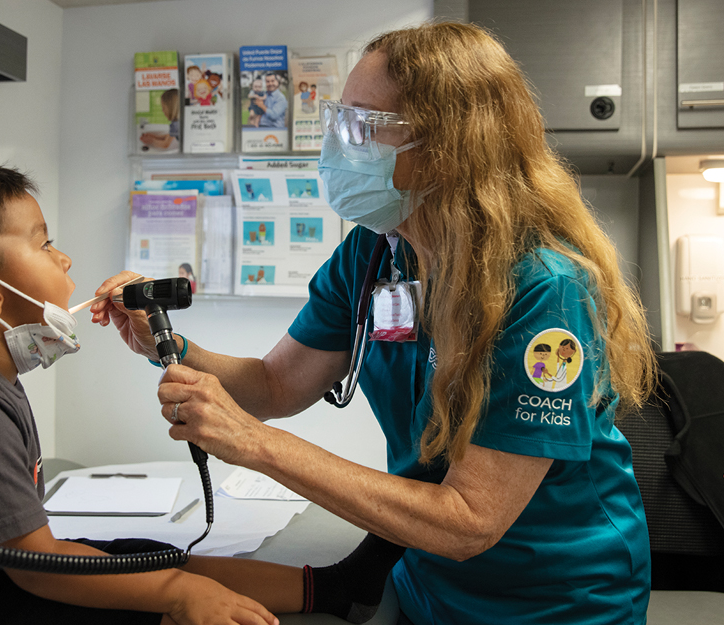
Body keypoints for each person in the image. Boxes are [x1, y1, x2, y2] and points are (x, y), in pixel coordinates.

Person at [92, 22, 656, 625]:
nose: (336, 147)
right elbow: (276, 385)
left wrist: (255, 446)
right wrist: (164, 341)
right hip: (425, 581)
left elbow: (470, 521)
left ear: (448, 147)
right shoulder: (374, 255)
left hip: (556, 602)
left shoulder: (545, 290)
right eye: (338, 119)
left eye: (361, 127)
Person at [0, 165, 328, 625]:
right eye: (45, 244)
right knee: (145, 600)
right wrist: (179, 593)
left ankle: (332, 589)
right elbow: (37, 567)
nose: (64, 258)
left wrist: (174, 581)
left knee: (141, 553)